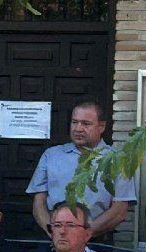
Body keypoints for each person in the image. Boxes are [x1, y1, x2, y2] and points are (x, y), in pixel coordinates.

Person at [27, 102, 136, 241]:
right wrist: (53, 231)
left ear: (101, 126)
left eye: (86, 123)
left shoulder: (119, 160)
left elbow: (119, 211)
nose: (78, 128)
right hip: (53, 241)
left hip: (96, 240)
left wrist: (83, 235)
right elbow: (39, 202)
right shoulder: (51, 155)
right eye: (74, 122)